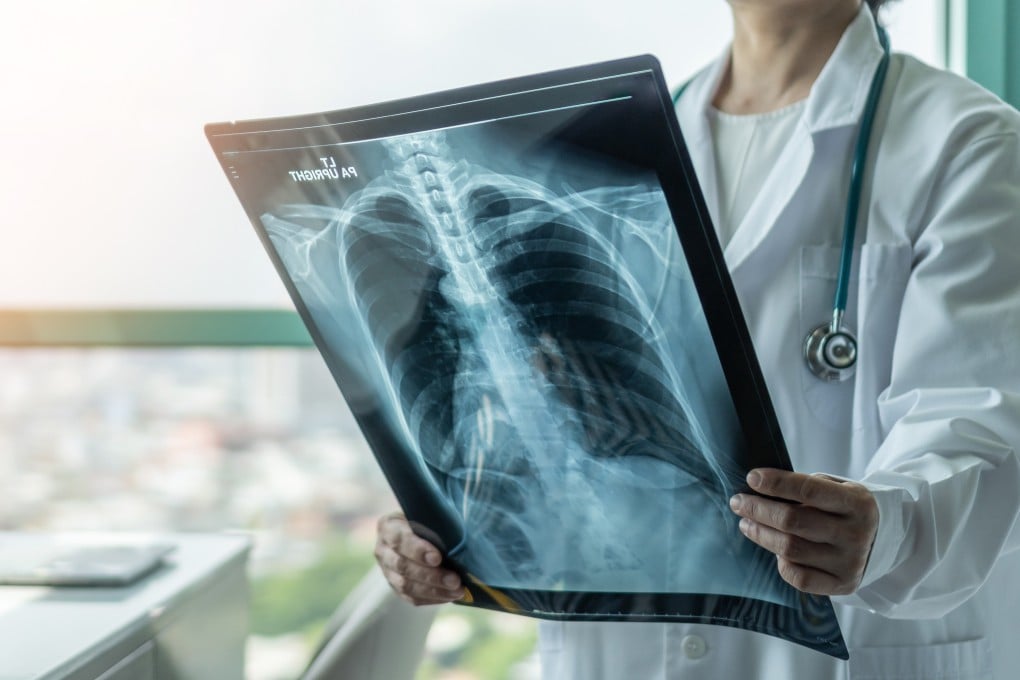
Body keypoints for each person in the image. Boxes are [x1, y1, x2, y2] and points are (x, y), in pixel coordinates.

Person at [374, 0, 1020, 677]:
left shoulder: (969, 145)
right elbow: (558, 424)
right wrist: (448, 521)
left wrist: (889, 528)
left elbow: (982, 428)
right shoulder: (618, 149)